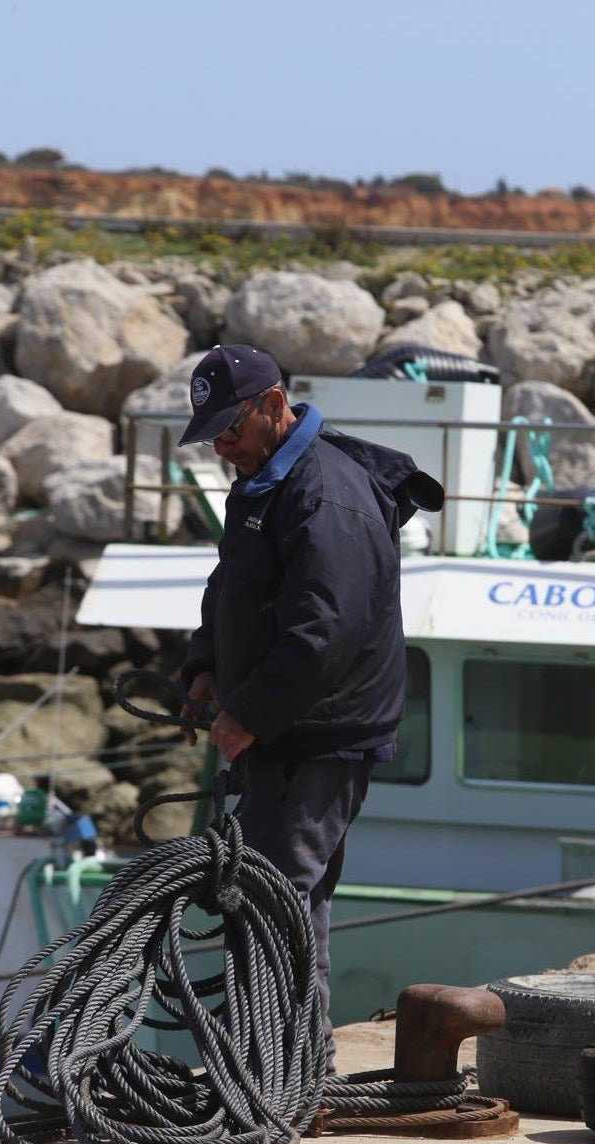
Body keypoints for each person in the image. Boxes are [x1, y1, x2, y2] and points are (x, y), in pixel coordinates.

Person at [178, 344, 443, 1071]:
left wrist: (247, 715)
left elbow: (322, 632)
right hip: (291, 729)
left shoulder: (323, 494)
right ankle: (298, 1067)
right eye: (212, 436)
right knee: (289, 898)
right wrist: (205, 664)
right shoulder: (269, 479)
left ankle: (281, 1073)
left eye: (229, 429)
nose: (222, 446)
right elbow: (233, 585)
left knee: (271, 900)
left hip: (316, 735)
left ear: (273, 404)